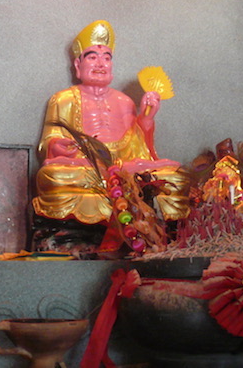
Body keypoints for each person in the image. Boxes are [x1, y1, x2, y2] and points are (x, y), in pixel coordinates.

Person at [32, 20, 189, 253]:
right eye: (92, 57)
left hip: (126, 169)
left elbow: (137, 148)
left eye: (107, 58)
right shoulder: (63, 99)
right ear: (78, 65)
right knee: (53, 176)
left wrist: (146, 118)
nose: (100, 63)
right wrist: (58, 145)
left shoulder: (125, 101)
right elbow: (50, 139)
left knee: (176, 176)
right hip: (86, 168)